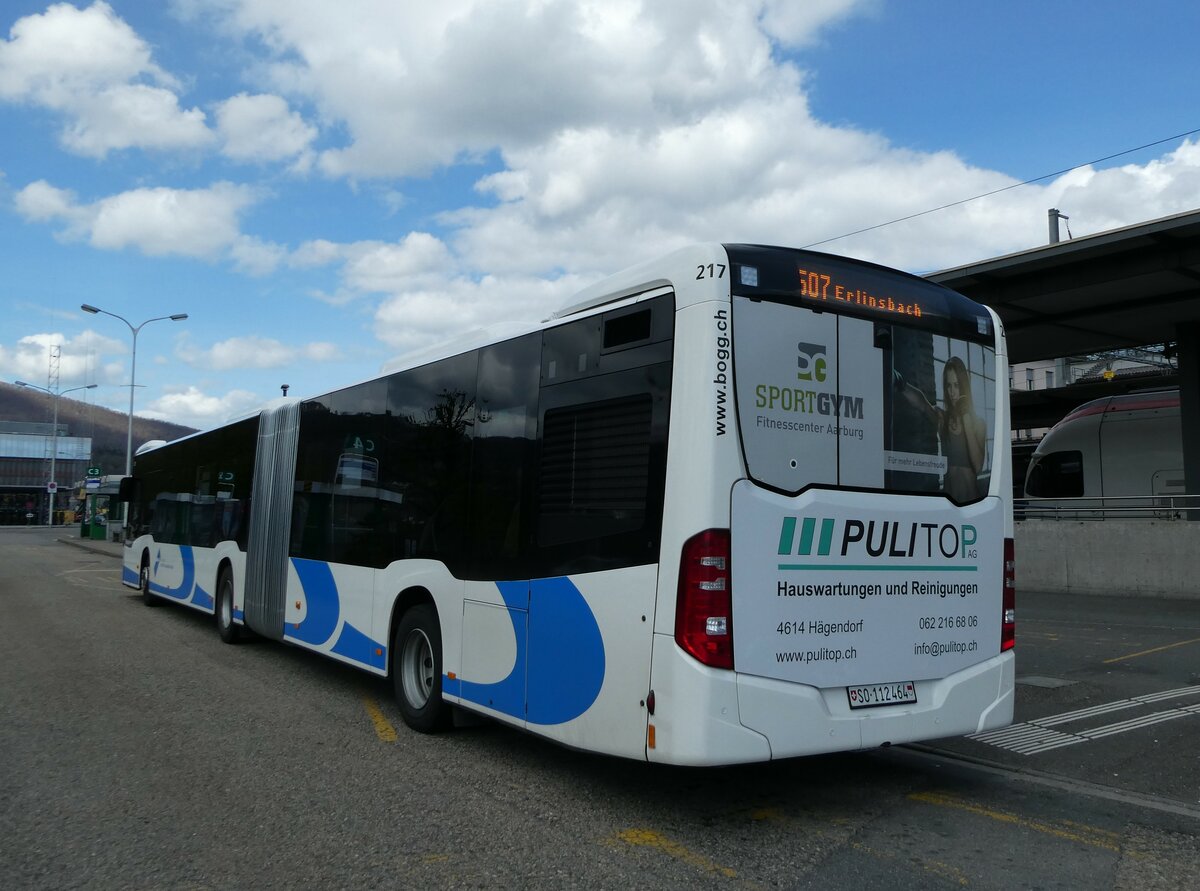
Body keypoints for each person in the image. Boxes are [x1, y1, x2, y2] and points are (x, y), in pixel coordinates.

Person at [895, 356, 986, 501]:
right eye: (949, 385)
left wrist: (966, 418)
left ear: (964, 387)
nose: (952, 392)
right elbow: (922, 404)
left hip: (971, 504)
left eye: (957, 385)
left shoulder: (978, 423)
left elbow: (978, 466)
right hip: (947, 504)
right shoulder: (943, 419)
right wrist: (899, 382)